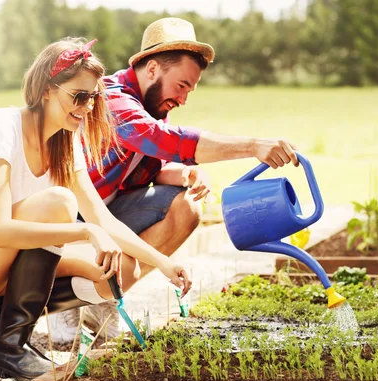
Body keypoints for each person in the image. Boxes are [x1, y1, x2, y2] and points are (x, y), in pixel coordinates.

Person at [0, 37, 191, 381]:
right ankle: (11, 350)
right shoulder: (1, 129)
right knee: (58, 203)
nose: (86, 107)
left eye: (93, 97)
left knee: (120, 270)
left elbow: (104, 219)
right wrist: (85, 231)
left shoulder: (65, 142)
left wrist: (163, 263)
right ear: (45, 90)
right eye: (78, 96)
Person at [49, 17, 301, 341]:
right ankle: (63, 302)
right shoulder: (111, 98)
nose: (183, 99)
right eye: (181, 85)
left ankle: (104, 300)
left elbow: (151, 166)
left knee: (188, 207)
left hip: (108, 211)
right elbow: (164, 139)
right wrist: (253, 146)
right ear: (152, 69)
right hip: (67, 219)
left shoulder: (154, 106)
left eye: (189, 90)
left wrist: (187, 173)